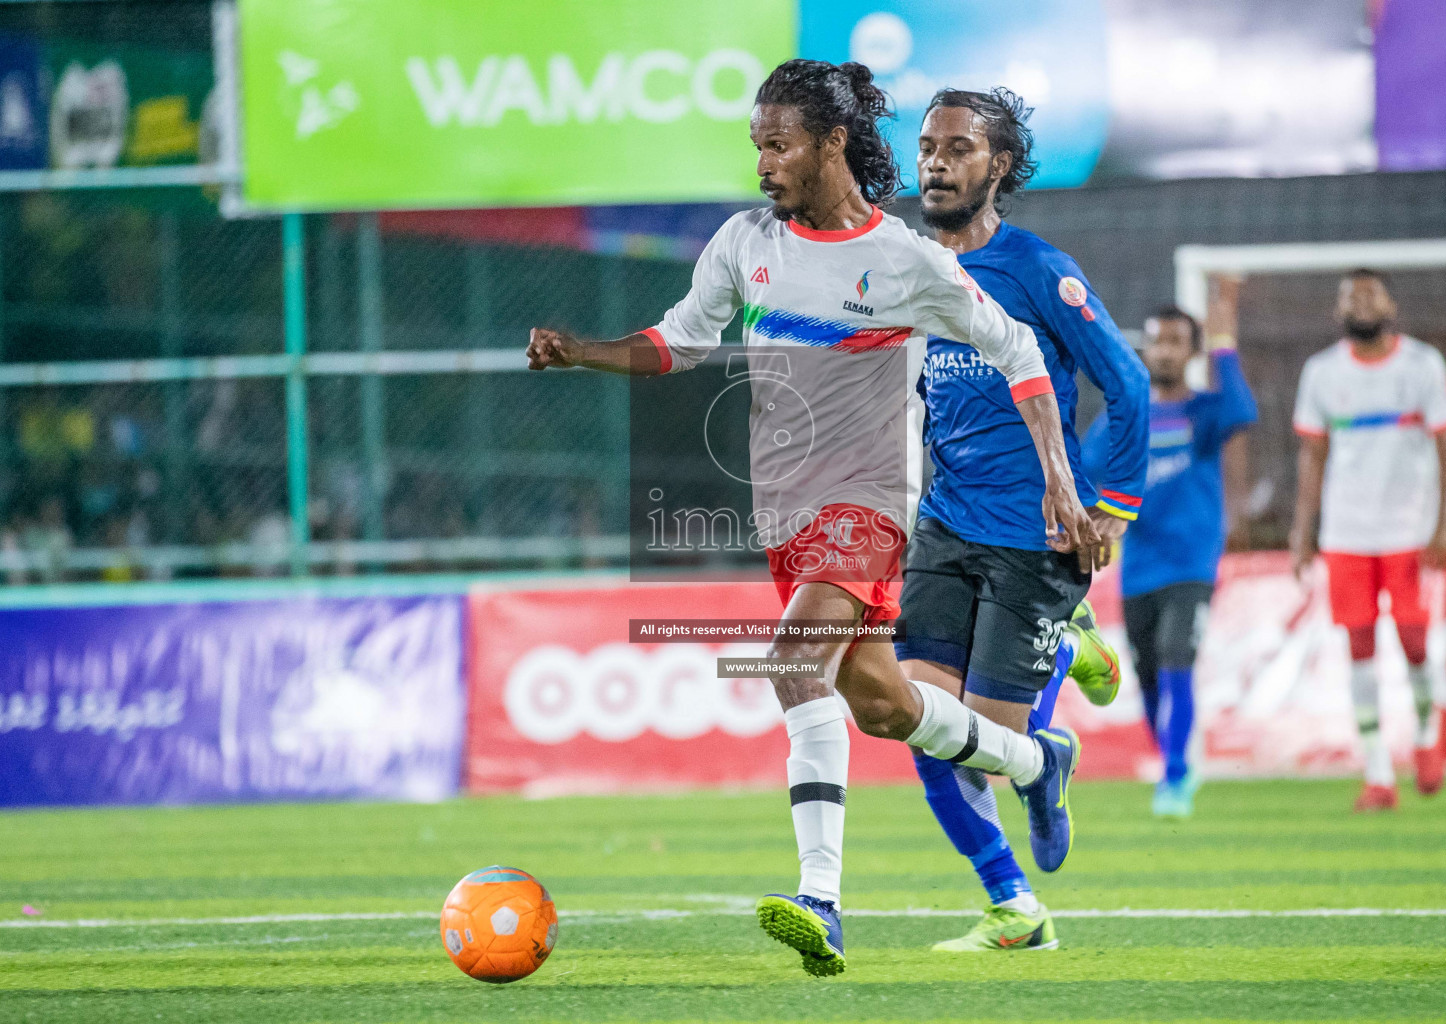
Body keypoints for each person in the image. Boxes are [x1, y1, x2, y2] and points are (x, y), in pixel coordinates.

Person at [526, 59, 1103, 977]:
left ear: (833, 143)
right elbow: (677, 342)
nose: (763, 164)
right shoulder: (744, 243)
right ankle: (1037, 763)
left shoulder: (906, 261)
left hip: (868, 507)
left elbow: (1019, 347)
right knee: (882, 706)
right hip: (787, 520)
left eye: (779, 144)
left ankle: (822, 901)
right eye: (757, 145)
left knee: (792, 664)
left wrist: (1061, 485)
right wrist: (580, 352)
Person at [893, 87, 1148, 952]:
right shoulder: (906, 271)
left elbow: (1129, 385)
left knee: (992, 746)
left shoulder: (1039, 270)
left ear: (997, 166)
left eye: (958, 147)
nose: (935, 161)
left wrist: (1109, 508)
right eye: (927, 145)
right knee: (922, 725)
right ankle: (1014, 905)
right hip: (944, 524)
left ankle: (1070, 648)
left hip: (1036, 538)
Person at [1083, 283, 1258, 818]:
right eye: (1157, 341)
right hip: (1139, 567)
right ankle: (1173, 758)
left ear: (1192, 351)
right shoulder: (1124, 417)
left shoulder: (1205, 413)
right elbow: (1088, 470)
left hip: (1192, 562)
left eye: (1177, 341)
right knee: (1149, 674)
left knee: (1178, 655)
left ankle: (1176, 774)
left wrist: (1224, 335)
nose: (1164, 351)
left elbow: (1241, 409)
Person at [1290, 269, 1446, 812]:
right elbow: (1312, 457)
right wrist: (1303, 531)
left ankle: (1428, 733)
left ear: (1390, 302)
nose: (1361, 303)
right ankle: (1378, 772)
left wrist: (1445, 524)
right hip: (1346, 533)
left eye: (1370, 293)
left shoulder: (1422, 364)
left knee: (1413, 641)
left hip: (1409, 529)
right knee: (1359, 647)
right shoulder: (1321, 372)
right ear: (1337, 311)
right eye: (1350, 296)